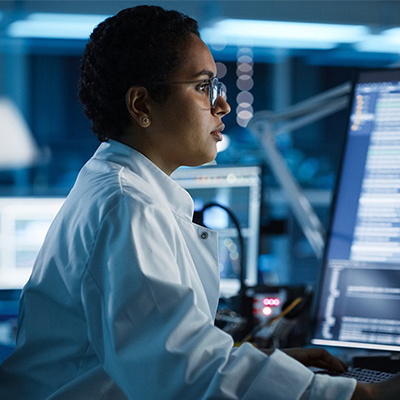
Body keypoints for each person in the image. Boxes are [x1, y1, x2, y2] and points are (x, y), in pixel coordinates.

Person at [0, 5, 399, 399]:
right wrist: (360, 395)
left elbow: (165, 353)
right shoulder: (128, 206)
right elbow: (184, 374)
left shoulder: (120, 189)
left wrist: (262, 365)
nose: (222, 105)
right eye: (203, 86)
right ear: (142, 106)